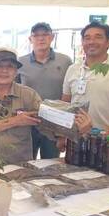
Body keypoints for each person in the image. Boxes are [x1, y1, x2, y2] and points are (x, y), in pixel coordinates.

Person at [18, 22, 72, 159]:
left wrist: (63, 133)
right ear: (30, 39)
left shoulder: (65, 61)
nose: (41, 39)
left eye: (45, 34)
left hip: (54, 126)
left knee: (51, 165)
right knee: (26, 164)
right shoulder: (20, 63)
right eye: (36, 35)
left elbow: (69, 96)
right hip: (28, 124)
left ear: (52, 37)